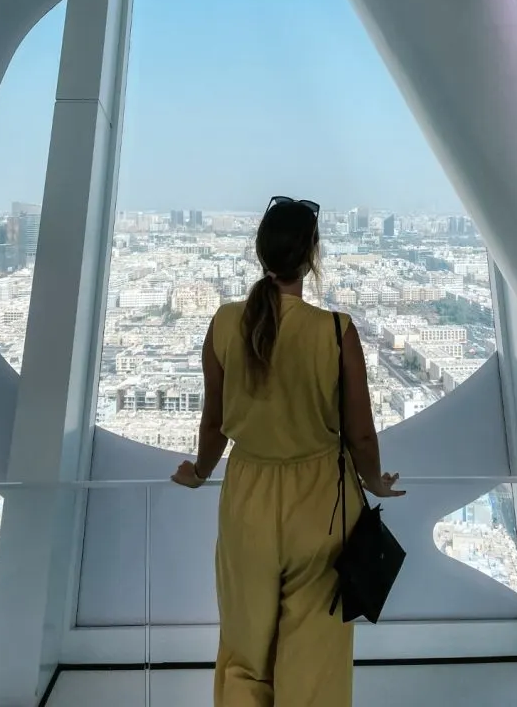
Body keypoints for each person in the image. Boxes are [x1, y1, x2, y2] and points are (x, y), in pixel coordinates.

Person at [171, 196, 405, 706]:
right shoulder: (335, 331)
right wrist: (375, 481)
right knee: (315, 652)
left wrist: (199, 471)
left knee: (244, 648)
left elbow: (213, 424)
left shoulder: (224, 324)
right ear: (312, 256)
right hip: (321, 501)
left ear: (261, 253)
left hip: (247, 499)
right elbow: (361, 434)